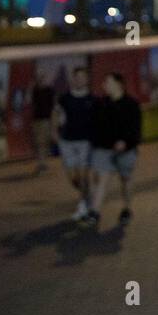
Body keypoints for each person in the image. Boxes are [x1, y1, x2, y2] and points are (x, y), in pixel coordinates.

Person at [86, 71, 142, 227]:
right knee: (101, 178)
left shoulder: (131, 104)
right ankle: (94, 212)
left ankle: (127, 207)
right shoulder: (101, 104)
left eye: (108, 83)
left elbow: (135, 129)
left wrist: (126, 142)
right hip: (104, 148)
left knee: (125, 179)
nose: (105, 86)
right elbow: (95, 125)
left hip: (126, 149)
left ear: (119, 85)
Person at [54, 66, 95, 220]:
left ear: (87, 79)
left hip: (85, 142)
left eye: (83, 77)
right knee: (73, 178)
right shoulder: (64, 98)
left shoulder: (92, 99)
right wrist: (54, 133)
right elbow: (55, 113)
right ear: (73, 79)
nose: (80, 80)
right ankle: (87, 195)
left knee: (83, 176)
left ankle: (83, 204)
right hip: (67, 142)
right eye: (77, 77)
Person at [31, 69, 55, 175]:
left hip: (45, 119)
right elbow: (30, 102)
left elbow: (53, 107)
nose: (41, 79)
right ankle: (42, 163)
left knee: (43, 143)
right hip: (37, 120)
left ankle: (42, 164)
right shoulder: (35, 90)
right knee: (39, 143)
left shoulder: (49, 90)